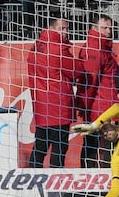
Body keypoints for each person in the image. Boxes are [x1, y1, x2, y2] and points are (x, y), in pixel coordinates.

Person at [27, 15, 84, 168]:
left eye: (66, 29)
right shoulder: (58, 48)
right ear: (51, 28)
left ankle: (31, 183)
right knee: (59, 149)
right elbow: (77, 71)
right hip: (58, 107)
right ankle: (54, 187)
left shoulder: (38, 45)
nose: (65, 32)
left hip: (41, 105)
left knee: (40, 147)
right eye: (61, 29)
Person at [76, 14, 119, 168]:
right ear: (94, 28)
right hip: (99, 107)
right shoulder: (94, 49)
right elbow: (90, 82)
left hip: (105, 104)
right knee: (97, 144)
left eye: (110, 28)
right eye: (104, 28)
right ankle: (91, 182)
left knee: (101, 145)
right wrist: (85, 106)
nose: (108, 31)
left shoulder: (103, 47)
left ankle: (98, 180)